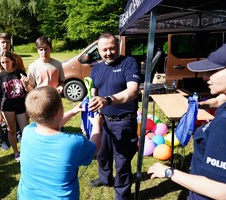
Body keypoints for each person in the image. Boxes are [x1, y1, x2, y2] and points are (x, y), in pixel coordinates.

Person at [148, 44, 226, 200]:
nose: (204, 77)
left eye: (212, 72)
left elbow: (221, 190)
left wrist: (168, 171)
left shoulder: (223, 124)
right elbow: (221, 99)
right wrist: (202, 104)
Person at [18, 86, 103, 199]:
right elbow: (95, 148)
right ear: (59, 112)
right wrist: (97, 125)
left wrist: (73, 112)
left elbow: (48, 123)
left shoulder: (28, 131)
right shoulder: (74, 143)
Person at [87, 32, 141, 200]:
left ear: (118, 46)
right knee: (102, 154)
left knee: (122, 161)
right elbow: (93, 93)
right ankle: (105, 179)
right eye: (104, 50)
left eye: (112, 48)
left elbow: (132, 91)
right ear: (99, 51)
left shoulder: (128, 63)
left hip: (123, 122)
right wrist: (90, 110)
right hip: (103, 121)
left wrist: (108, 100)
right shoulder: (96, 69)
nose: (108, 53)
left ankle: (122, 195)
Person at [0, 32, 26, 151]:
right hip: (5, 93)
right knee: (6, 124)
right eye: (2, 42)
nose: (5, 44)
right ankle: (4, 140)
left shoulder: (17, 58)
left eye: (7, 42)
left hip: (18, 93)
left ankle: (20, 137)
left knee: (21, 123)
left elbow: (23, 76)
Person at [0, 51, 30, 161]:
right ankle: (16, 152)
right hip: (7, 107)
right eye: (2, 62)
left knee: (26, 131)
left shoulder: (21, 73)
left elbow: (28, 92)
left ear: (13, 61)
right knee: (11, 130)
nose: (5, 64)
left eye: (7, 62)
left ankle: (27, 151)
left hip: (21, 106)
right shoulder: (0, 77)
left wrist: (29, 108)